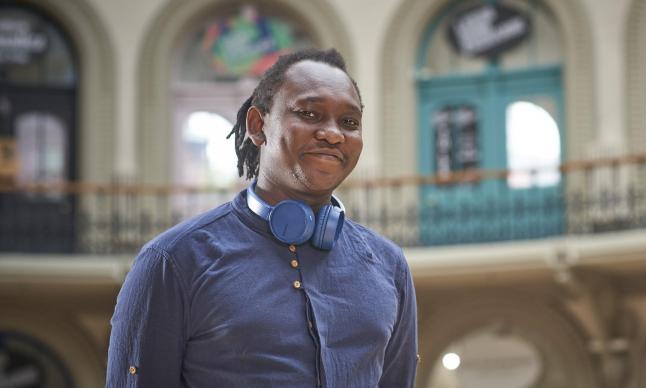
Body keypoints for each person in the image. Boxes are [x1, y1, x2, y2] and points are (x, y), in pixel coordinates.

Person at [106, 48, 418, 387]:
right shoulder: (172, 262)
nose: (333, 133)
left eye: (349, 122)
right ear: (258, 126)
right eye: (310, 114)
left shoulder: (389, 266)